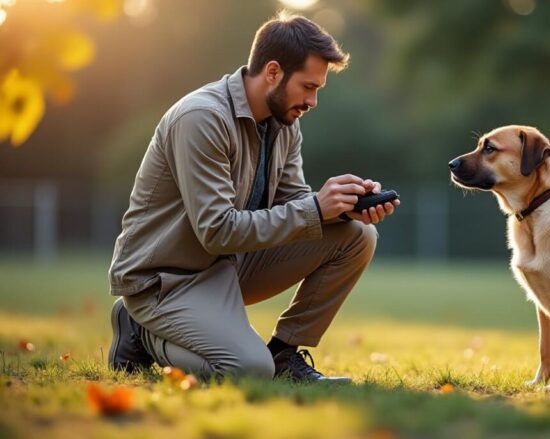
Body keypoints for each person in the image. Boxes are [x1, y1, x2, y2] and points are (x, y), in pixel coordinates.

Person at [107, 12, 399, 382]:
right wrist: (314, 208)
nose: (313, 101)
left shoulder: (285, 124)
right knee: (247, 369)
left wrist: (343, 208)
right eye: (308, 87)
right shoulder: (201, 119)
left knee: (357, 236)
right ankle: (139, 330)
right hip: (167, 280)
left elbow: (291, 203)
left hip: (228, 266)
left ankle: (283, 354)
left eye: (317, 90)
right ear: (273, 72)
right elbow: (216, 230)